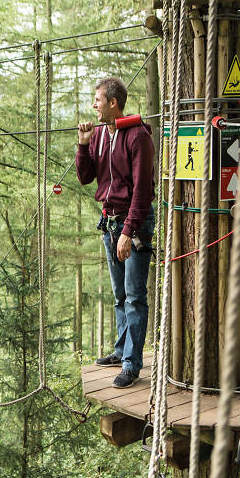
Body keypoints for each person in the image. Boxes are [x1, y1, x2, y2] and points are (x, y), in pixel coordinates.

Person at [76, 77, 155, 389]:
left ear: (113, 102)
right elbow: (85, 177)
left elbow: (143, 191)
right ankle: (122, 350)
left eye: (98, 100)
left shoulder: (137, 136)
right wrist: (83, 145)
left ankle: (131, 364)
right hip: (109, 222)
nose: (94, 105)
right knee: (120, 295)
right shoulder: (99, 136)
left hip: (132, 225)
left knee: (135, 296)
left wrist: (128, 231)